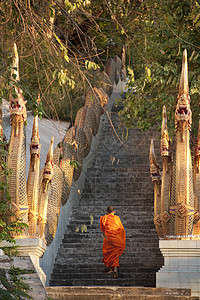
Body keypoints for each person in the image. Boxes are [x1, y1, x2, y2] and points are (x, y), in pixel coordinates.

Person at [100, 205, 126, 278]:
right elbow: (121, 229)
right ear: (114, 211)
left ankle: (112, 269)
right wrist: (121, 237)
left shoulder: (104, 218)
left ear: (107, 212)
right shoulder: (117, 218)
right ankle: (115, 269)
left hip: (109, 238)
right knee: (115, 253)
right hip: (117, 238)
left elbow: (102, 228)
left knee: (108, 252)